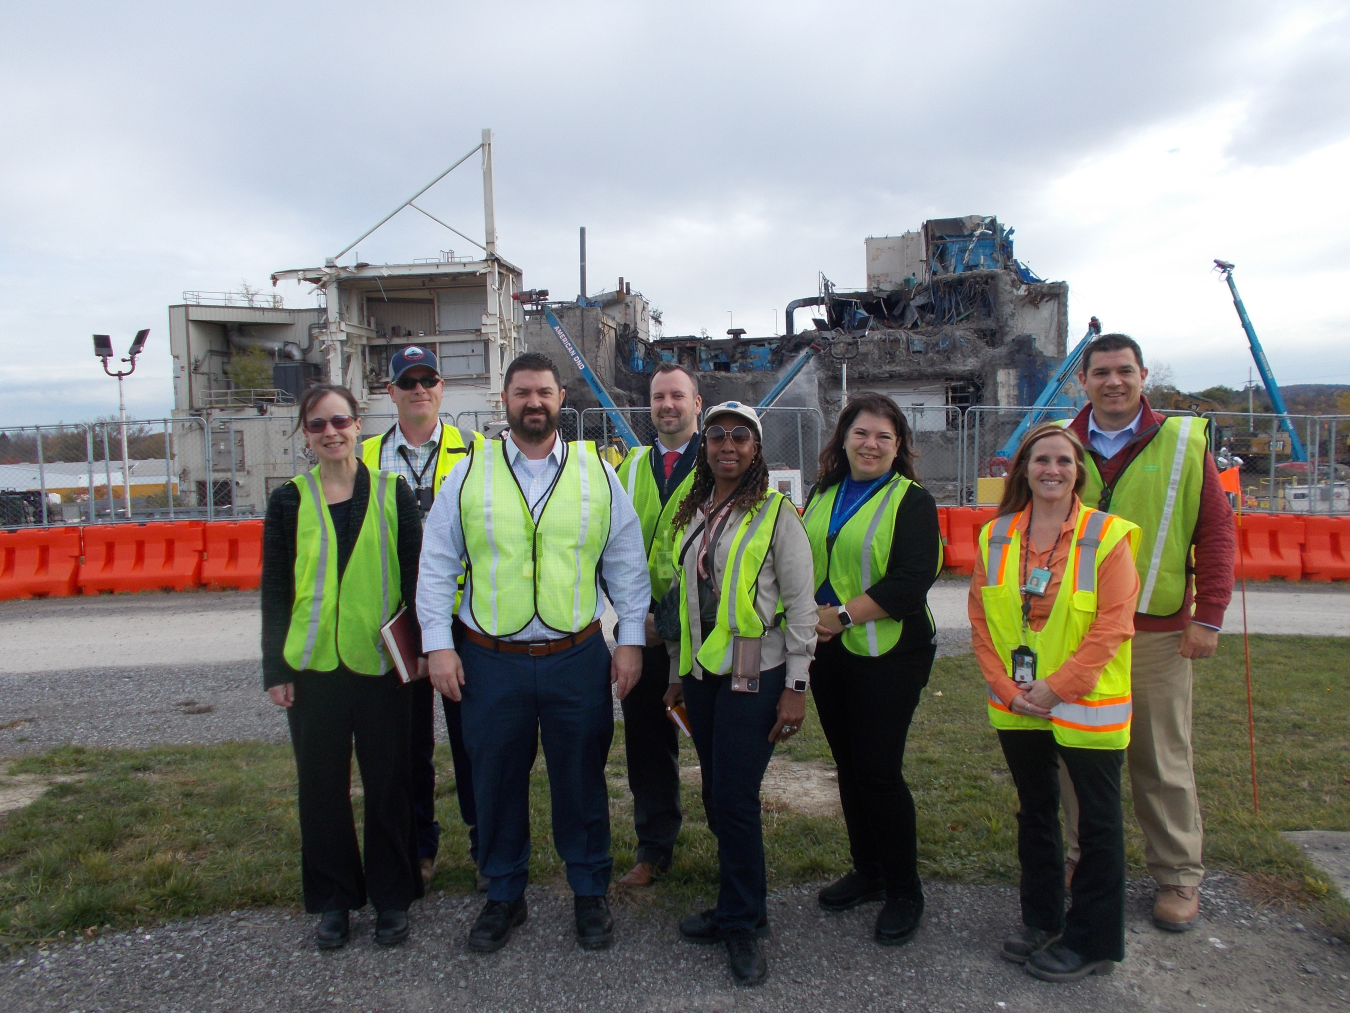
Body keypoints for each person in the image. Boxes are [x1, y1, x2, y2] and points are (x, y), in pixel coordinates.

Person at [417, 352, 650, 954]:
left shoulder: (597, 472)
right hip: (491, 659)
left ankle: (589, 890)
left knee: (581, 778)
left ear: (561, 398)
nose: (534, 403)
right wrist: (439, 647)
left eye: (544, 392)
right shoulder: (468, 473)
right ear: (506, 399)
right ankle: (503, 895)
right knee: (494, 780)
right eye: (522, 393)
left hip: (577, 657)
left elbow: (625, 562)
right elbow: (438, 564)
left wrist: (628, 643)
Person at [1060, 333, 1235, 932]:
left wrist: (1208, 615)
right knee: (1078, 755)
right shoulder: (1061, 444)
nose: (1113, 381)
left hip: (1155, 634)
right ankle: (1080, 863)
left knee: (1161, 758)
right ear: (1083, 381)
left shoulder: (1184, 444)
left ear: (1142, 378)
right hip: (1076, 634)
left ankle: (1178, 875)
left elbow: (1215, 532)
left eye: (1124, 371)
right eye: (1101, 372)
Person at [969, 422, 1141, 982]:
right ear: (1023, 470)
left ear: (1079, 473)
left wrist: (1058, 687)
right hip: (1016, 702)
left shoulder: (1107, 536)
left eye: (1064, 461)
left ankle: (1093, 940)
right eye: (1040, 460)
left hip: (1087, 702)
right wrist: (1005, 686)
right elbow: (980, 619)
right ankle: (1041, 918)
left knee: (1095, 822)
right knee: (1036, 810)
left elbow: (1114, 625)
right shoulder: (996, 536)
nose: (1052, 470)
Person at [261, 383, 424, 950]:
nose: (330, 432)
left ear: (358, 425)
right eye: (317, 425)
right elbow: (276, 591)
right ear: (304, 435)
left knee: (388, 787)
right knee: (321, 790)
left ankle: (392, 898)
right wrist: (274, 668)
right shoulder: (287, 500)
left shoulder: (391, 491)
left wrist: (421, 653)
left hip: (381, 667)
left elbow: (413, 579)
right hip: (312, 670)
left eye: (340, 421)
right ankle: (334, 900)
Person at [663, 401, 819, 987]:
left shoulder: (779, 514)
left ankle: (745, 922)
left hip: (759, 674)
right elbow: (688, 605)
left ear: (756, 449)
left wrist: (797, 689)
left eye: (741, 436)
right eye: (717, 435)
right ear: (705, 446)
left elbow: (802, 609)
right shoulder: (694, 512)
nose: (728, 444)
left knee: (735, 797)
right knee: (716, 793)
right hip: (704, 677)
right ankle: (734, 902)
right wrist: (678, 674)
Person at [802, 392, 943, 946]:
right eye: (862, 433)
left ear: (899, 446)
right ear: (843, 439)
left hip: (891, 653)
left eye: (885, 436)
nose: (871, 444)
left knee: (879, 771)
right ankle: (868, 870)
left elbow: (911, 580)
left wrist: (840, 616)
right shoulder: (822, 493)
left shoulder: (913, 500)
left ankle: (905, 890)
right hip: (828, 652)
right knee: (849, 766)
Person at [360, 345, 485, 892]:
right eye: (406, 381)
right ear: (390, 392)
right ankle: (418, 844)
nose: (417, 389)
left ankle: (488, 844)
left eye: (427, 379)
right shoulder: (363, 457)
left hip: (463, 616)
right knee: (406, 741)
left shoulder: (479, 450)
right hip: (397, 619)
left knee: (473, 737)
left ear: (442, 388)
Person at [613, 362, 703, 886]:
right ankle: (654, 848)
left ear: (697, 402)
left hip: (702, 632)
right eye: (658, 397)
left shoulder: (719, 463)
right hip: (639, 634)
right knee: (648, 744)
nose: (667, 405)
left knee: (713, 739)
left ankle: (732, 845)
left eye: (677, 395)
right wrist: (633, 617)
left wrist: (665, 618)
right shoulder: (628, 468)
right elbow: (609, 548)